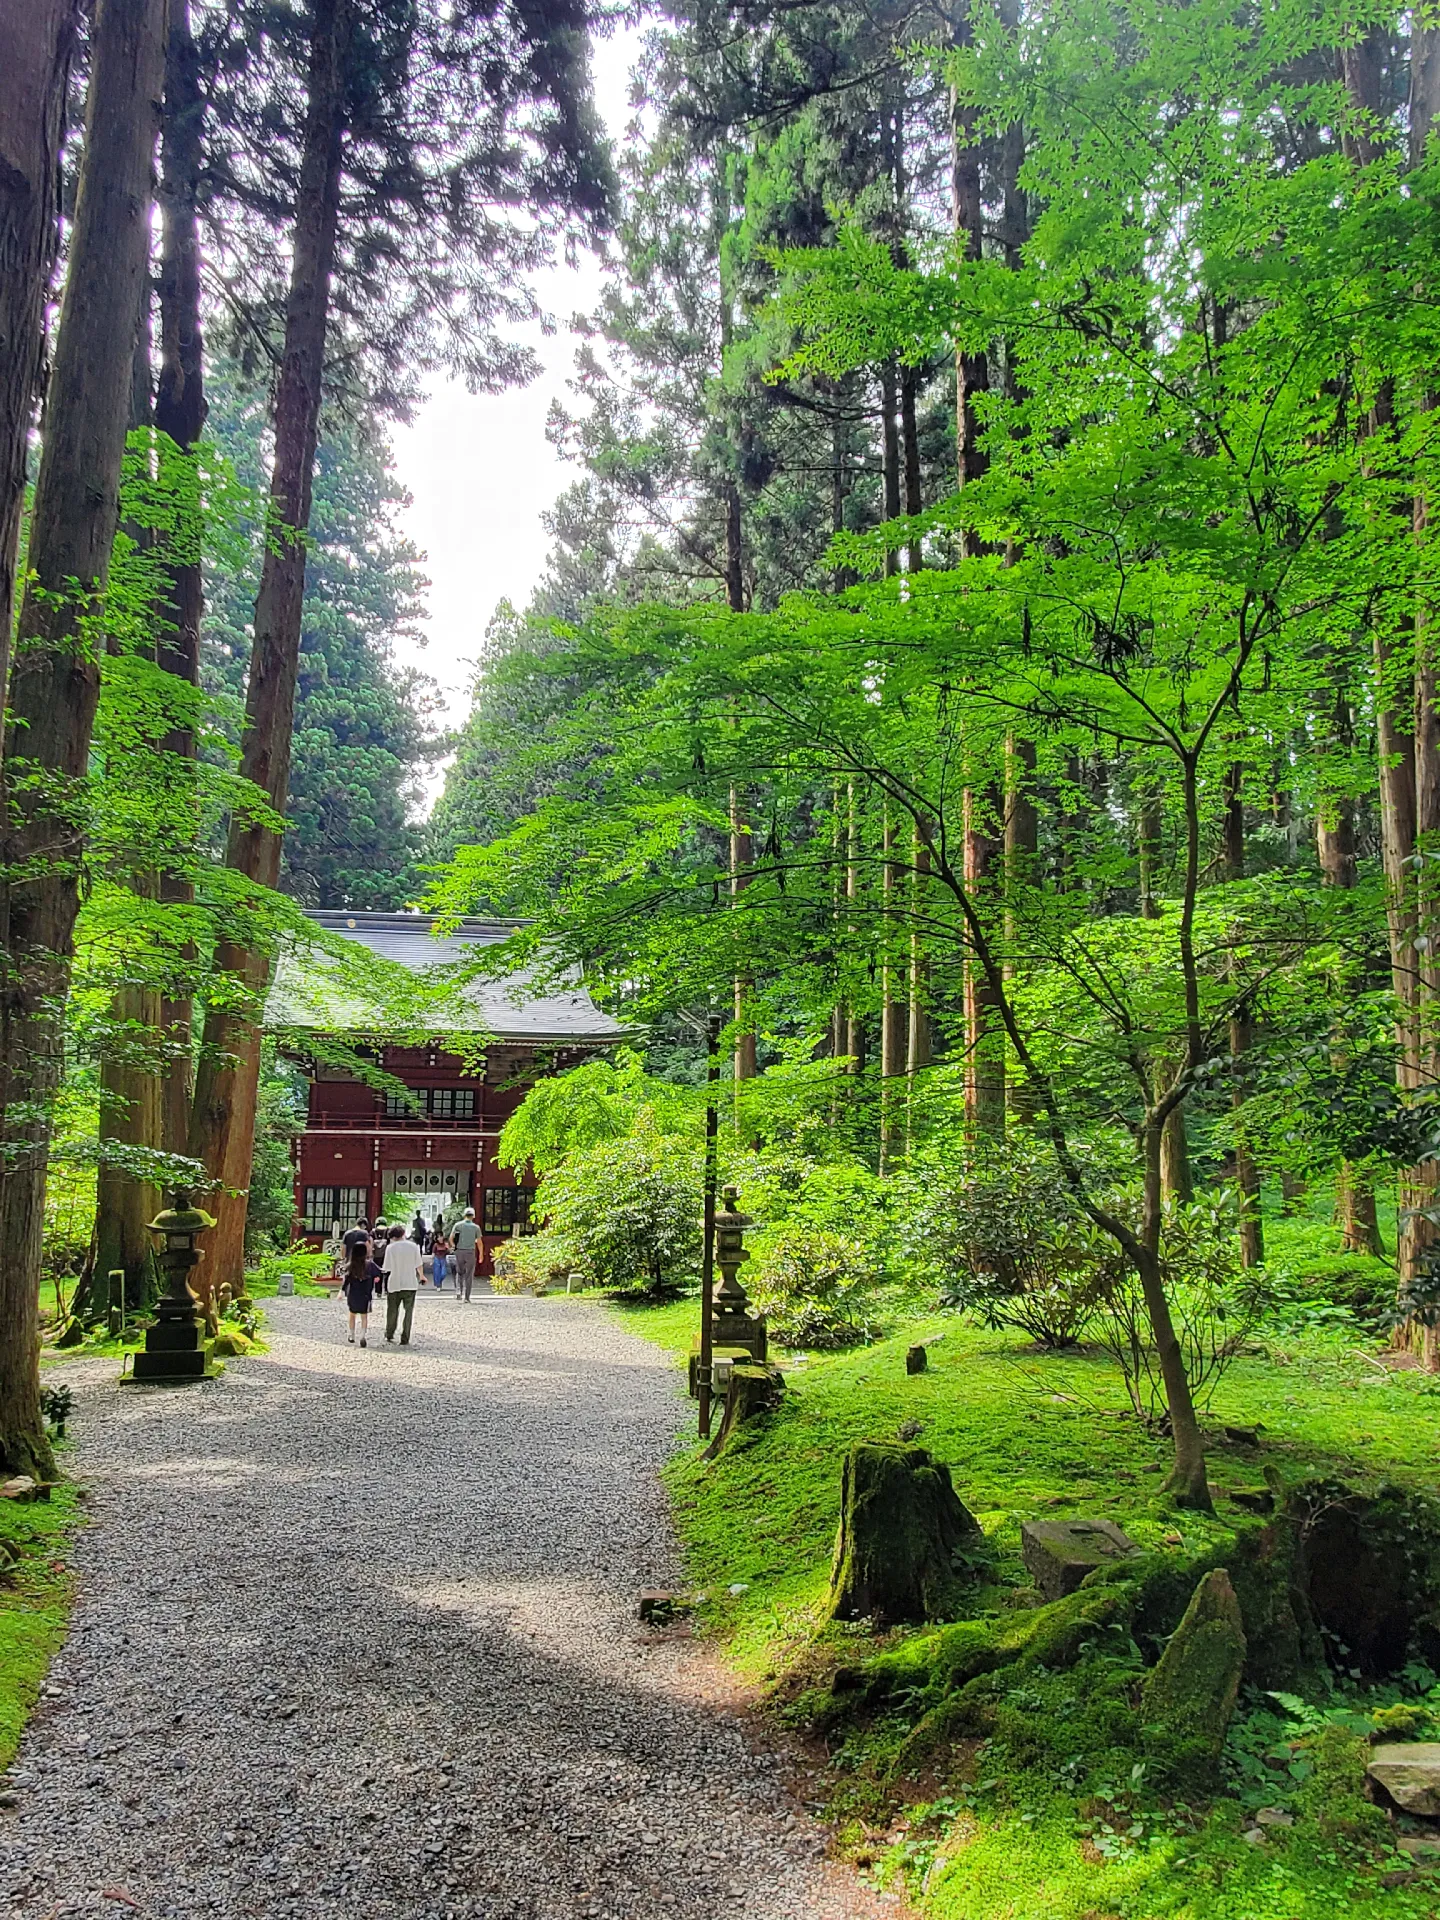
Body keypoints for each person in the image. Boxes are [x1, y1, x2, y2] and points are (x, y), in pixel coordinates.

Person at [383, 1221, 423, 1343]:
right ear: (404, 1234)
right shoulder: (413, 1246)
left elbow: (387, 1267)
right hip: (410, 1282)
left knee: (392, 1310)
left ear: (392, 1236)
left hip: (394, 1282)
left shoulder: (390, 1248)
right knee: (408, 1311)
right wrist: (421, 1276)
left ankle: (390, 1333)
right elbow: (419, 1264)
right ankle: (405, 1336)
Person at [341, 1220, 373, 1347]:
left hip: (351, 1265)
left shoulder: (347, 1234)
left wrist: (344, 1260)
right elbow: (369, 1247)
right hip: (364, 1289)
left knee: (352, 1312)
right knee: (364, 1314)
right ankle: (363, 1335)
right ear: (364, 1225)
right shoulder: (364, 1234)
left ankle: (351, 1334)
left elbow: (343, 1249)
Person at [452, 1206, 481, 1302]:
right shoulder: (476, 1227)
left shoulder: (458, 1225)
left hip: (459, 1251)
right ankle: (467, 1297)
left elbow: (451, 1238)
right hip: (470, 1252)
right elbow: (479, 1242)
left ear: (464, 1215)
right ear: (473, 1216)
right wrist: (481, 1254)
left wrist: (454, 1247)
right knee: (469, 1274)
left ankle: (458, 1292)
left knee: (459, 1272)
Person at [430, 1221, 451, 1291]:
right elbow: (433, 1253)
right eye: (438, 1237)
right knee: (437, 1272)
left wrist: (448, 1248)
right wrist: (432, 1261)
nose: (440, 1238)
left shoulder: (445, 1244)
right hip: (437, 1258)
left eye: (441, 1237)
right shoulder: (435, 1245)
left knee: (443, 1273)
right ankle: (438, 1285)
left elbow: (449, 1252)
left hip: (443, 1259)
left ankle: (439, 1282)